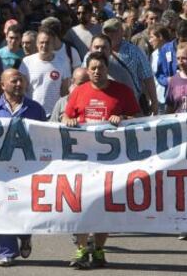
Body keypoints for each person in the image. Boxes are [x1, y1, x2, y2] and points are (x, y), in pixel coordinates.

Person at [63, 52, 140, 269]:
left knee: (104, 207)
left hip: (112, 163)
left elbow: (139, 118)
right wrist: (68, 119)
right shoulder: (79, 92)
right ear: (87, 70)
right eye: (93, 68)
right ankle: (81, 249)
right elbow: (65, 117)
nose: (97, 72)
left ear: (108, 69)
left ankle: (98, 249)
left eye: (101, 68)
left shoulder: (122, 92)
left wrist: (123, 119)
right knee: (81, 205)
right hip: (82, 161)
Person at [0, 69, 46, 267]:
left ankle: (24, 234)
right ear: (2, 85)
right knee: (1, 208)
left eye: (21, 81)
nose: (19, 84)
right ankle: (6, 252)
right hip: (0, 170)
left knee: (23, 207)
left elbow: (45, 137)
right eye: (14, 81)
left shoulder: (35, 109)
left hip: (28, 168)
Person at [102, 18, 158, 115]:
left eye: (114, 31)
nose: (111, 35)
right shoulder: (96, 51)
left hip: (131, 106)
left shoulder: (134, 51)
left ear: (121, 32)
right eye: (107, 31)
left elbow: (147, 77)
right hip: (105, 105)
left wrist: (154, 102)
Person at [19, 27, 70, 119]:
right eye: (41, 42)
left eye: (47, 42)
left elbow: (65, 91)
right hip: (32, 113)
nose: (44, 45)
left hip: (53, 114)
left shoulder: (63, 62)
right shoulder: (26, 62)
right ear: (37, 44)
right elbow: (21, 89)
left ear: (53, 44)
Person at [166, 43, 187, 114]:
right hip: (180, 123)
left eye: (184, 58)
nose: (180, 62)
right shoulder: (173, 81)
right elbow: (170, 107)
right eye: (178, 58)